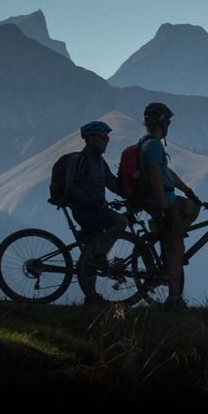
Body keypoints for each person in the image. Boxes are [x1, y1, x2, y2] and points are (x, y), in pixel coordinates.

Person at [139, 102, 200, 308]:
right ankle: (174, 299)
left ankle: (171, 232)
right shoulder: (154, 145)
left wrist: (189, 192)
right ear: (162, 122)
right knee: (176, 248)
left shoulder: (148, 144)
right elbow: (157, 179)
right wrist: (164, 209)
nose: (169, 127)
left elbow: (168, 175)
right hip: (165, 202)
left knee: (193, 207)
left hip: (168, 200)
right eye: (168, 122)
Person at [67, 120, 128, 303]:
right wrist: (89, 200)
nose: (107, 140)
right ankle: (100, 257)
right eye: (103, 137)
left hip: (94, 209)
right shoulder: (79, 160)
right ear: (91, 139)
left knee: (90, 250)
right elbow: (71, 187)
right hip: (85, 211)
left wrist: (132, 193)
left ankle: (90, 295)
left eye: (107, 137)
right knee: (121, 222)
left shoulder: (100, 162)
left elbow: (112, 184)